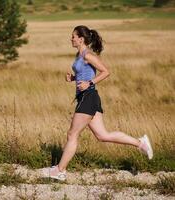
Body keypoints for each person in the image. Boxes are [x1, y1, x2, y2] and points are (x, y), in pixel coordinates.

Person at [41, 25, 153, 181]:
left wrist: (90, 83)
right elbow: (84, 74)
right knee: (102, 135)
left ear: (81, 39)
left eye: (73, 36)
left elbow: (106, 71)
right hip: (87, 97)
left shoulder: (88, 55)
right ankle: (140, 143)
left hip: (89, 97)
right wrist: (73, 78)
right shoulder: (79, 54)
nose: (71, 38)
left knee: (72, 134)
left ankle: (60, 170)